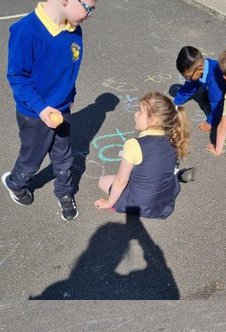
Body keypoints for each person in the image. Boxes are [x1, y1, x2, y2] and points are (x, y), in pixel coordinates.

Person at [3, 0, 97, 220]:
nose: (90, 13)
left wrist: (69, 97)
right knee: (32, 158)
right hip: (34, 113)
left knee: (64, 156)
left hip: (61, 110)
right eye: (88, 6)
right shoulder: (26, 31)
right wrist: (41, 108)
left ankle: (65, 192)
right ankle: (15, 183)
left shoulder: (74, 30)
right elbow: (17, 77)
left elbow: (70, 70)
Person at [95, 92, 190, 218]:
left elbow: (120, 181)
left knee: (103, 181)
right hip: (164, 201)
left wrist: (110, 203)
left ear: (153, 120)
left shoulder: (133, 145)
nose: (135, 114)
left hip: (140, 203)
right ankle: (177, 173)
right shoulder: (174, 137)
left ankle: (124, 205)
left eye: (139, 111)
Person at [173, 46, 226, 135]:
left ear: (200, 69)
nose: (187, 79)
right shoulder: (199, 71)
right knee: (204, 96)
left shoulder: (214, 79)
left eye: (187, 76)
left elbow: (217, 102)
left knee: (214, 102)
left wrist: (211, 122)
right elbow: (190, 87)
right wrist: (175, 102)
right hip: (216, 91)